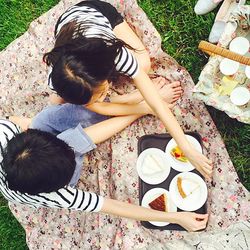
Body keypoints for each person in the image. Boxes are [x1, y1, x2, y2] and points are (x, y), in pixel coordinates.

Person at [43, 0, 213, 180]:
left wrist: (186, 147)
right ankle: (134, 97)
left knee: (144, 64)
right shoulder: (56, 80)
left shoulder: (114, 54)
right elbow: (100, 107)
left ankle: (134, 96)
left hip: (96, 11)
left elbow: (157, 103)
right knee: (54, 103)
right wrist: (143, 107)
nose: (103, 96)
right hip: (67, 29)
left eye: (102, 92)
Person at [0, 107, 208, 232]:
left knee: (72, 139)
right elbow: (114, 207)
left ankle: (140, 110)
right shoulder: (57, 196)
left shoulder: (5, 130)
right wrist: (177, 218)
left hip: (21, 138)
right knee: (74, 140)